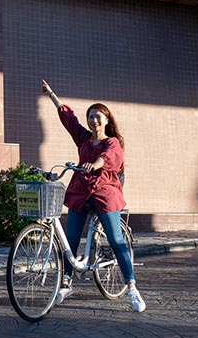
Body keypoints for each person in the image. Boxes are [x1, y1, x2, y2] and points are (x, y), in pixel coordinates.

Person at [41, 79, 146, 313]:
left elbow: (109, 158)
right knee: (69, 240)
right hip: (80, 192)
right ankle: (66, 281)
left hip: (104, 192)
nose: (94, 120)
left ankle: (131, 286)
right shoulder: (84, 139)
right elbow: (69, 120)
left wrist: (94, 164)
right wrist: (51, 95)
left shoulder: (112, 142)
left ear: (107, 120)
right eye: (91, 116)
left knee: (116, 240)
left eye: (98, 116)